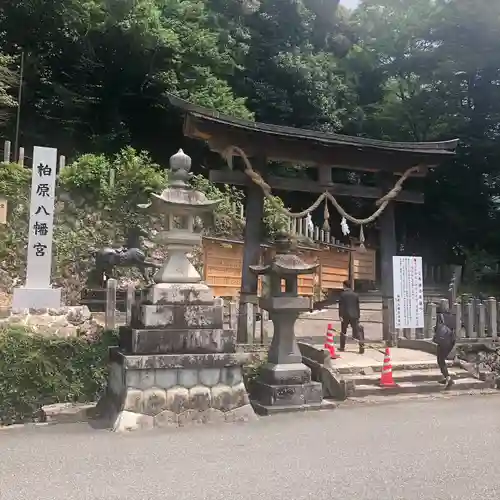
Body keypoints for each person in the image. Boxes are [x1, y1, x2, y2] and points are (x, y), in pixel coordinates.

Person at [432, 304, 457, 389]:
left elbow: (437, 329)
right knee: (442, 360)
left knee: (440, 360)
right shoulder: (452, 317)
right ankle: (445, 377)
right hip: (451, 341)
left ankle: (448, 378)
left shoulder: (440, 316)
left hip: (443, 341)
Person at [338, 280, 364, 354]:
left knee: (343, 332)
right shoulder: (355, 294)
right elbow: (357, 306)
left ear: (344, 286)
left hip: (345, 315)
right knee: (357, 332)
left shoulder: (342, 294)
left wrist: (340, 315)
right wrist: (358, 316)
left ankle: (342, 347)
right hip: (354, 315)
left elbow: (341, 306)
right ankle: (361, 346)